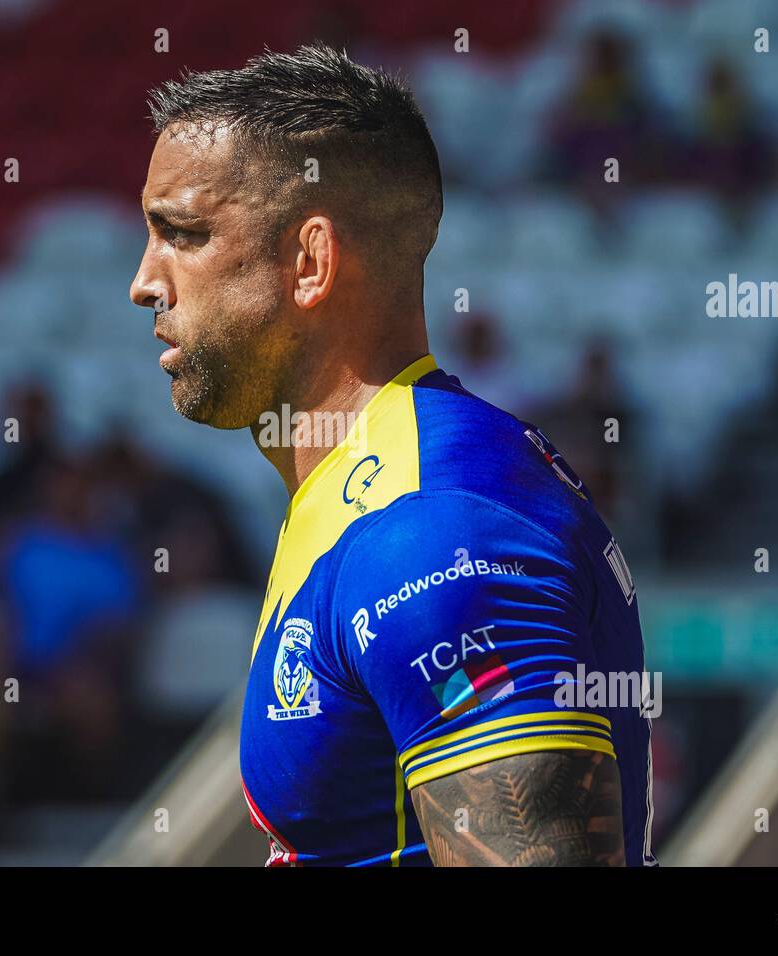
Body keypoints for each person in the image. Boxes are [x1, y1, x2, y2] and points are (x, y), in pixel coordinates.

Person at [128, 43, 654, 867]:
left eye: (182, 234)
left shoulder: (430, 532)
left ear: (310, 262)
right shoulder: (358, 495)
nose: (144, 281)